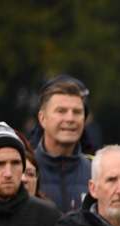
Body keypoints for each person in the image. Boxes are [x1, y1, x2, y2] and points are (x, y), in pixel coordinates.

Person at [33, 75, 92, 212]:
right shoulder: (22, 170)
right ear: (42, 118)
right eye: (61, 111)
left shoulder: (98, 172)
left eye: (77, 112)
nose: (70, 118)